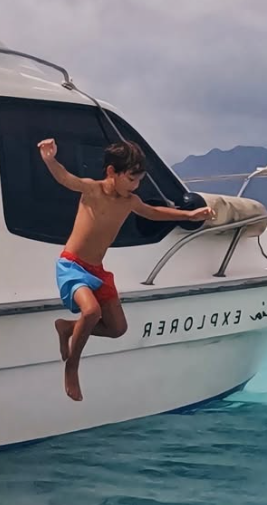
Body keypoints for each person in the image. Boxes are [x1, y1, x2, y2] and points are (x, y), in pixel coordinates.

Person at [37, 136, 214, 401]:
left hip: (97, 271)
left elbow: (153, 212)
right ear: (112, 172)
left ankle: (66, 328)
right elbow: (65, 178)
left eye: (139, 180)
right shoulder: (92, 190)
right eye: (131, 179)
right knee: (92, 311)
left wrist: (188, 215)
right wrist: (50, 160)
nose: (136, 185)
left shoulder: (129, 201)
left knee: (118, 328)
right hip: (72, 265)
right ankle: (72, 366)